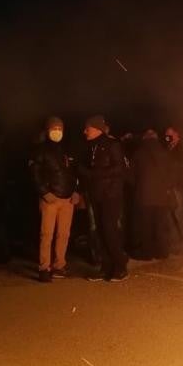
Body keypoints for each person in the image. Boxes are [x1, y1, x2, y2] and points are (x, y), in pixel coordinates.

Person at [30, 117, 79, 282]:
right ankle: (44, 267)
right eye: (54, 129)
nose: (57, 132)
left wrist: (76, 191)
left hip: (67, 199)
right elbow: (34, 174)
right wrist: (44, 192)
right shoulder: (40, 150)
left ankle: (59, 265)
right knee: (47, 234)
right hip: (50, 199)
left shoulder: (68, 150)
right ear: (47, 130)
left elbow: (75, 173)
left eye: (60, 129)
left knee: (63, 234)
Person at [81, 115, 128, 281]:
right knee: (99, 232)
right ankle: (106, 267)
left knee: (110, 231)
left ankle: (120, 266)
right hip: (97, 195)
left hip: (110, 195)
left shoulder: (112, 144)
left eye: (87, 128)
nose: (84, 131)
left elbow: (119, 168)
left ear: (96, 129)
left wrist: (94, 174)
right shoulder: (90, 146)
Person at [131, 130, 174, 260]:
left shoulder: (138, 153)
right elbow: (171, 172)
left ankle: (147, 253)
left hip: (144, 195)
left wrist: (137, 186)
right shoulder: (164, 152)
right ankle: (162, 252)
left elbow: (132, 175)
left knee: (146, 225)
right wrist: (167, 187)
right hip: (161, 195)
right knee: (160, 225)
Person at [164, 126, 183, 251]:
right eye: (166, 135)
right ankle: (176, 242)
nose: (167, 137)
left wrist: (173, 183)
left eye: (169, 134)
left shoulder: (182, 149)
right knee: (171, 214)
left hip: (178, 186)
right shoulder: (170, 147)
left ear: (177, 134)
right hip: (172, 185)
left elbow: (180, 169)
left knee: (179, 213)